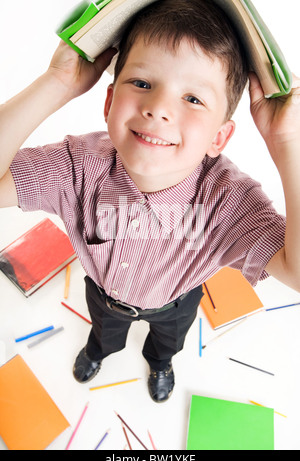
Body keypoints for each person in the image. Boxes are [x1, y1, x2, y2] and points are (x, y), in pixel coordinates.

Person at [0, 0, 300, 403]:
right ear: (108, 103)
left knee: (166, 344)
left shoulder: (228, 200)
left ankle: (160, 364)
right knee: (103, 334)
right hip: (104, 298)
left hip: (175, 306)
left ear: (219, 137)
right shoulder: (76, 166)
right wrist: (58, 82)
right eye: (142, 82)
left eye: (193, 99)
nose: (158, 108)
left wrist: (288, 145)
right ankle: (99, 351)